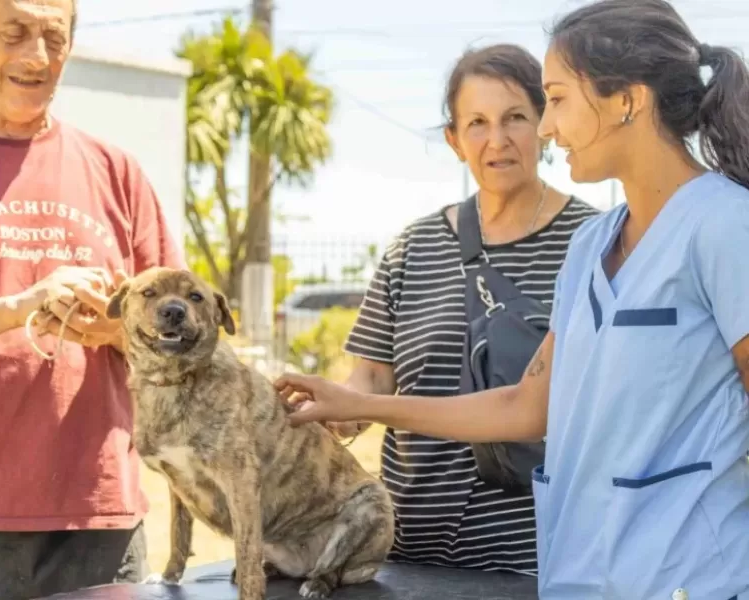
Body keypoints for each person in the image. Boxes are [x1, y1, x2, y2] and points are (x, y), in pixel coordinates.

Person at [276, 0, 749, 598]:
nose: (546, 128)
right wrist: (351, 402)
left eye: (554, 100)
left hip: (691, 578)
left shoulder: (726, 227)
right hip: (580, 574)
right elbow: (528, 405)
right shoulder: (591, 245)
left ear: (626, 101)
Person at [315, 44, 598, 575]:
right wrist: (337, 409)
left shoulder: (591, 241)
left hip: (541, 555)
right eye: (477, 123)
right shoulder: (413, 247)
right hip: (411, 550)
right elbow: (372, 378)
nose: (497, 140)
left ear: (544, 123)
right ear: (453, 139)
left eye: (515, 117)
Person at [0, 0, 186, 597]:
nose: (36, 57)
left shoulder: (117, 172)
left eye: (54, 38)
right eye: (16, 33)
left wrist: (110, 329)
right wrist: (21, 305)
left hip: (97, 518)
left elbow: (184, 344)